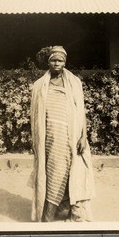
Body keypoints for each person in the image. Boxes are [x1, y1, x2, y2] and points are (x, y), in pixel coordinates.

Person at [30, 46, 95, 222]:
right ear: (48, 61)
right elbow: (35, 117)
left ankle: (65, 209)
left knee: (69, 172)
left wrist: (83, 136)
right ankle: (49, 213)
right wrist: (36, 140)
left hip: (70, 136)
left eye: (60, 60)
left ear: (65, 62)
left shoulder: (74, 82)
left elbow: (81, 111)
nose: (56, 63)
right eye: (53, 60)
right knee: (51, 172)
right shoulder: (39, 86)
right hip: (49, 137)